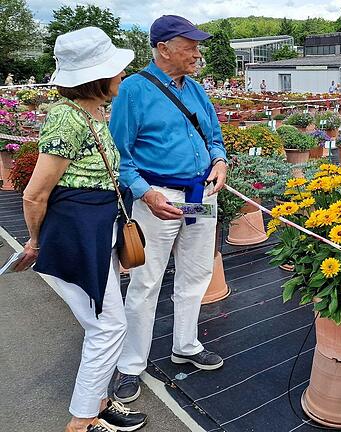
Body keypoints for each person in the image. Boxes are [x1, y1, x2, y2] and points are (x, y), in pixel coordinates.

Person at [15, 27, 148, 432]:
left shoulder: (89, 112)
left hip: (93, 230)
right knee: (108, 325)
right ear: (97, 77)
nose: (122, 77)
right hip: (75, 233)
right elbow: (34, 195)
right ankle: (83, 419)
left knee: (104, 322)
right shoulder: (66, 119)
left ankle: (97, 401)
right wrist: (37, 241)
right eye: (116, 70)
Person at [109, 14, 228, 403]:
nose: (197, 51)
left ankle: (186, 345)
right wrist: (145, 193)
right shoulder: (133, 91)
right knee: (145, 283)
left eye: (196, 45)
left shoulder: (195, 90)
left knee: (196, 273)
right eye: (189, 45)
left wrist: (220, 162)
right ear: (163, 49)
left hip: (199, 195)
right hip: (158, 200)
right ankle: (130, 365)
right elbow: (119, 155)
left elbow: (214, 137)